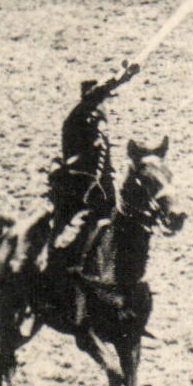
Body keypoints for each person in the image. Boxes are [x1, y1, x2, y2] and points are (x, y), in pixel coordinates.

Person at [39, 60, 139, 273]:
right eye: (104, 100)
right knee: (70, 232)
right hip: (77, 186)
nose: (107, 105)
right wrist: (121, 77)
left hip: (100, 186)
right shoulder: (77, 119)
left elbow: (104, 164)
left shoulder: (98, 126)